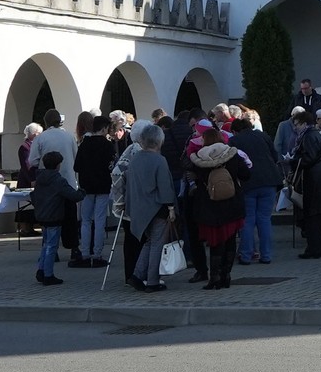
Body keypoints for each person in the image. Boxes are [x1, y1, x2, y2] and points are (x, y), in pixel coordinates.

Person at [188, 128, 249, 289]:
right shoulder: (232, 154)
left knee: (215, 241)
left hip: (210, 205)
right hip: (231, 203)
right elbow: (246, 174)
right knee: (230, 239)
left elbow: (189, 171)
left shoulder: (199, 159)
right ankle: (226, 275)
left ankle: (214, 278)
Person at [123, 123, 178, 291]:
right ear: (159, 141)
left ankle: (137, 274)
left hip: (140, 209)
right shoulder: (159, 160)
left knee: (149, 242)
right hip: (157, 208)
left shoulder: (135, 159)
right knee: (157, 244)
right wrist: (171, 207)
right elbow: (165, 186)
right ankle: (152, 280)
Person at [229, 112, 282, 265]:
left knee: (248, 220)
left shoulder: (233, 140)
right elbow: (275, 156)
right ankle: (266, 255)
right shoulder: (263, 136)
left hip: (247, 184)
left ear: (234, 130)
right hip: (269, 181)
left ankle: (246, 255)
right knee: (265, 219)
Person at [30, 109, 82, 263]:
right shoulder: (69, 136)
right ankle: (74, 248)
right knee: (70, 219)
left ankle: (50, 250)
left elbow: (32, 161)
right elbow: (75, 156)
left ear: (45, 122)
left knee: (49, 219)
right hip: (67, 182)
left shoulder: (41, 138)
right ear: (60, 121)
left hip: (47, 185)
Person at [28, 150, 82, 286]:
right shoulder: (58, 180)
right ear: (58, 165)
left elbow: (34, 196)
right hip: (54, 215)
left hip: (42, 215)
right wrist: (82, 192)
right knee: (52, 246)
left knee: (46, 244)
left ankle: (41, 269)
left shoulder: (39, 179)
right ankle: (48, 274)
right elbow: (73, 195)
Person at [290, 110, 321, 260]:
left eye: (296, 124)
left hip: (314, 180)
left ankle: (314, 249)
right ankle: (319, 247)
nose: (295, 127)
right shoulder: (315, 134)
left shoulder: (308, 136)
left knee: (312, 216)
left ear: (304, 124)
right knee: (318, 217)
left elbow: (309, 158)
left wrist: (293, 160)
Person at [71, 115, 115, 269]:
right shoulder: (108, 145)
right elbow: (112, 166)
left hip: (86, 186)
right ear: (103, 128)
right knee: (100, 219)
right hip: (102, 186)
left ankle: (84, 253)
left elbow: (76, 167)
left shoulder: (84, 144)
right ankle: (97, 254)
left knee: (86, 220)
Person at [17, 123, 42, 188]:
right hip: (27, 181)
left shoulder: (36, 145)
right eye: (40, 133)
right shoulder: (25, 147)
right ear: (35, 133)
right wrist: (32, 180)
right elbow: (26, 165)